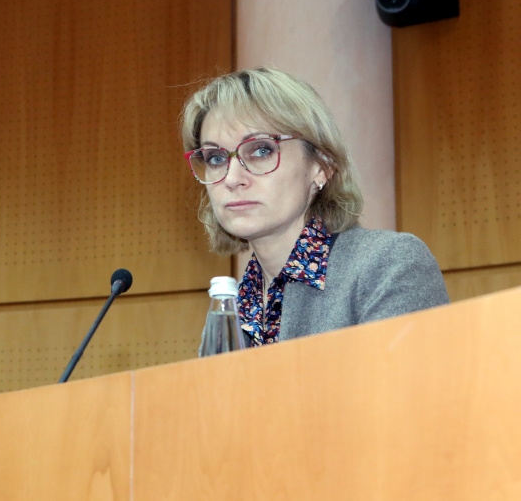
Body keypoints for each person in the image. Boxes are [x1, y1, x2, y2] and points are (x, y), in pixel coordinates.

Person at [181, 67, 448, 346]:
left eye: (261, 150)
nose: (232, 179)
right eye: (215, 158)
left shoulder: (386, 265)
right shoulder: (230, 311)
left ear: (321, 166)